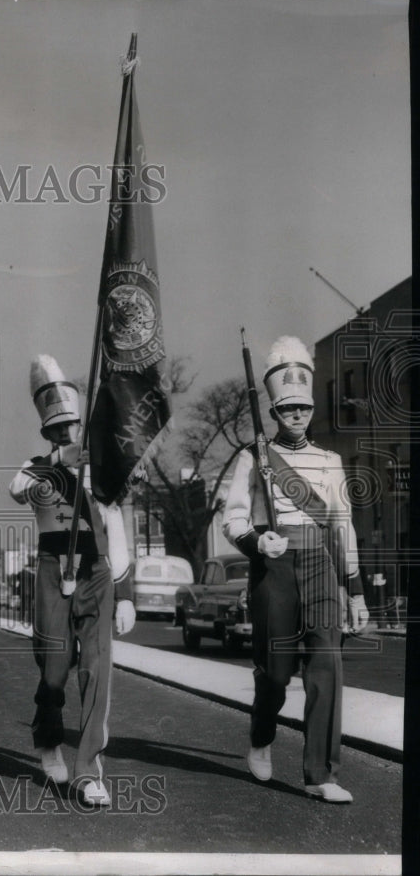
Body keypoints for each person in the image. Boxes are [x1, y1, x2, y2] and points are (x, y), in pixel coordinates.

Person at [223, 335, 368, 804]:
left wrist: (356, 590)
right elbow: (233, 518)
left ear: (311, 409)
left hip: (321, 565)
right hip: (276, 566)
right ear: (274, 412)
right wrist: (256, 541)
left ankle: (321, 773)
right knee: (276, 674)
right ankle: (262, 735)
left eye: (303, 408)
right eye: (287, 410)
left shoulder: (330, 461)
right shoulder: (253, 456)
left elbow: (342, 527)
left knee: (327, 666)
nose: (297, 416)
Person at [8, 355, 135, 807]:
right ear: (47, 432)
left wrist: (125, 593)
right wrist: (59, 461)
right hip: (50, 568)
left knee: (97, 670)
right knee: (54, 668)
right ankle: (47, 738)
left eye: (72, 426)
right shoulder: (35, 466)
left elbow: (118, 530)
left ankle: (88, 770)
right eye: (57, 427)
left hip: (96, 571)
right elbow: (16, 488)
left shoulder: (103, 468)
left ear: (83, 425)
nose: (67, 433)